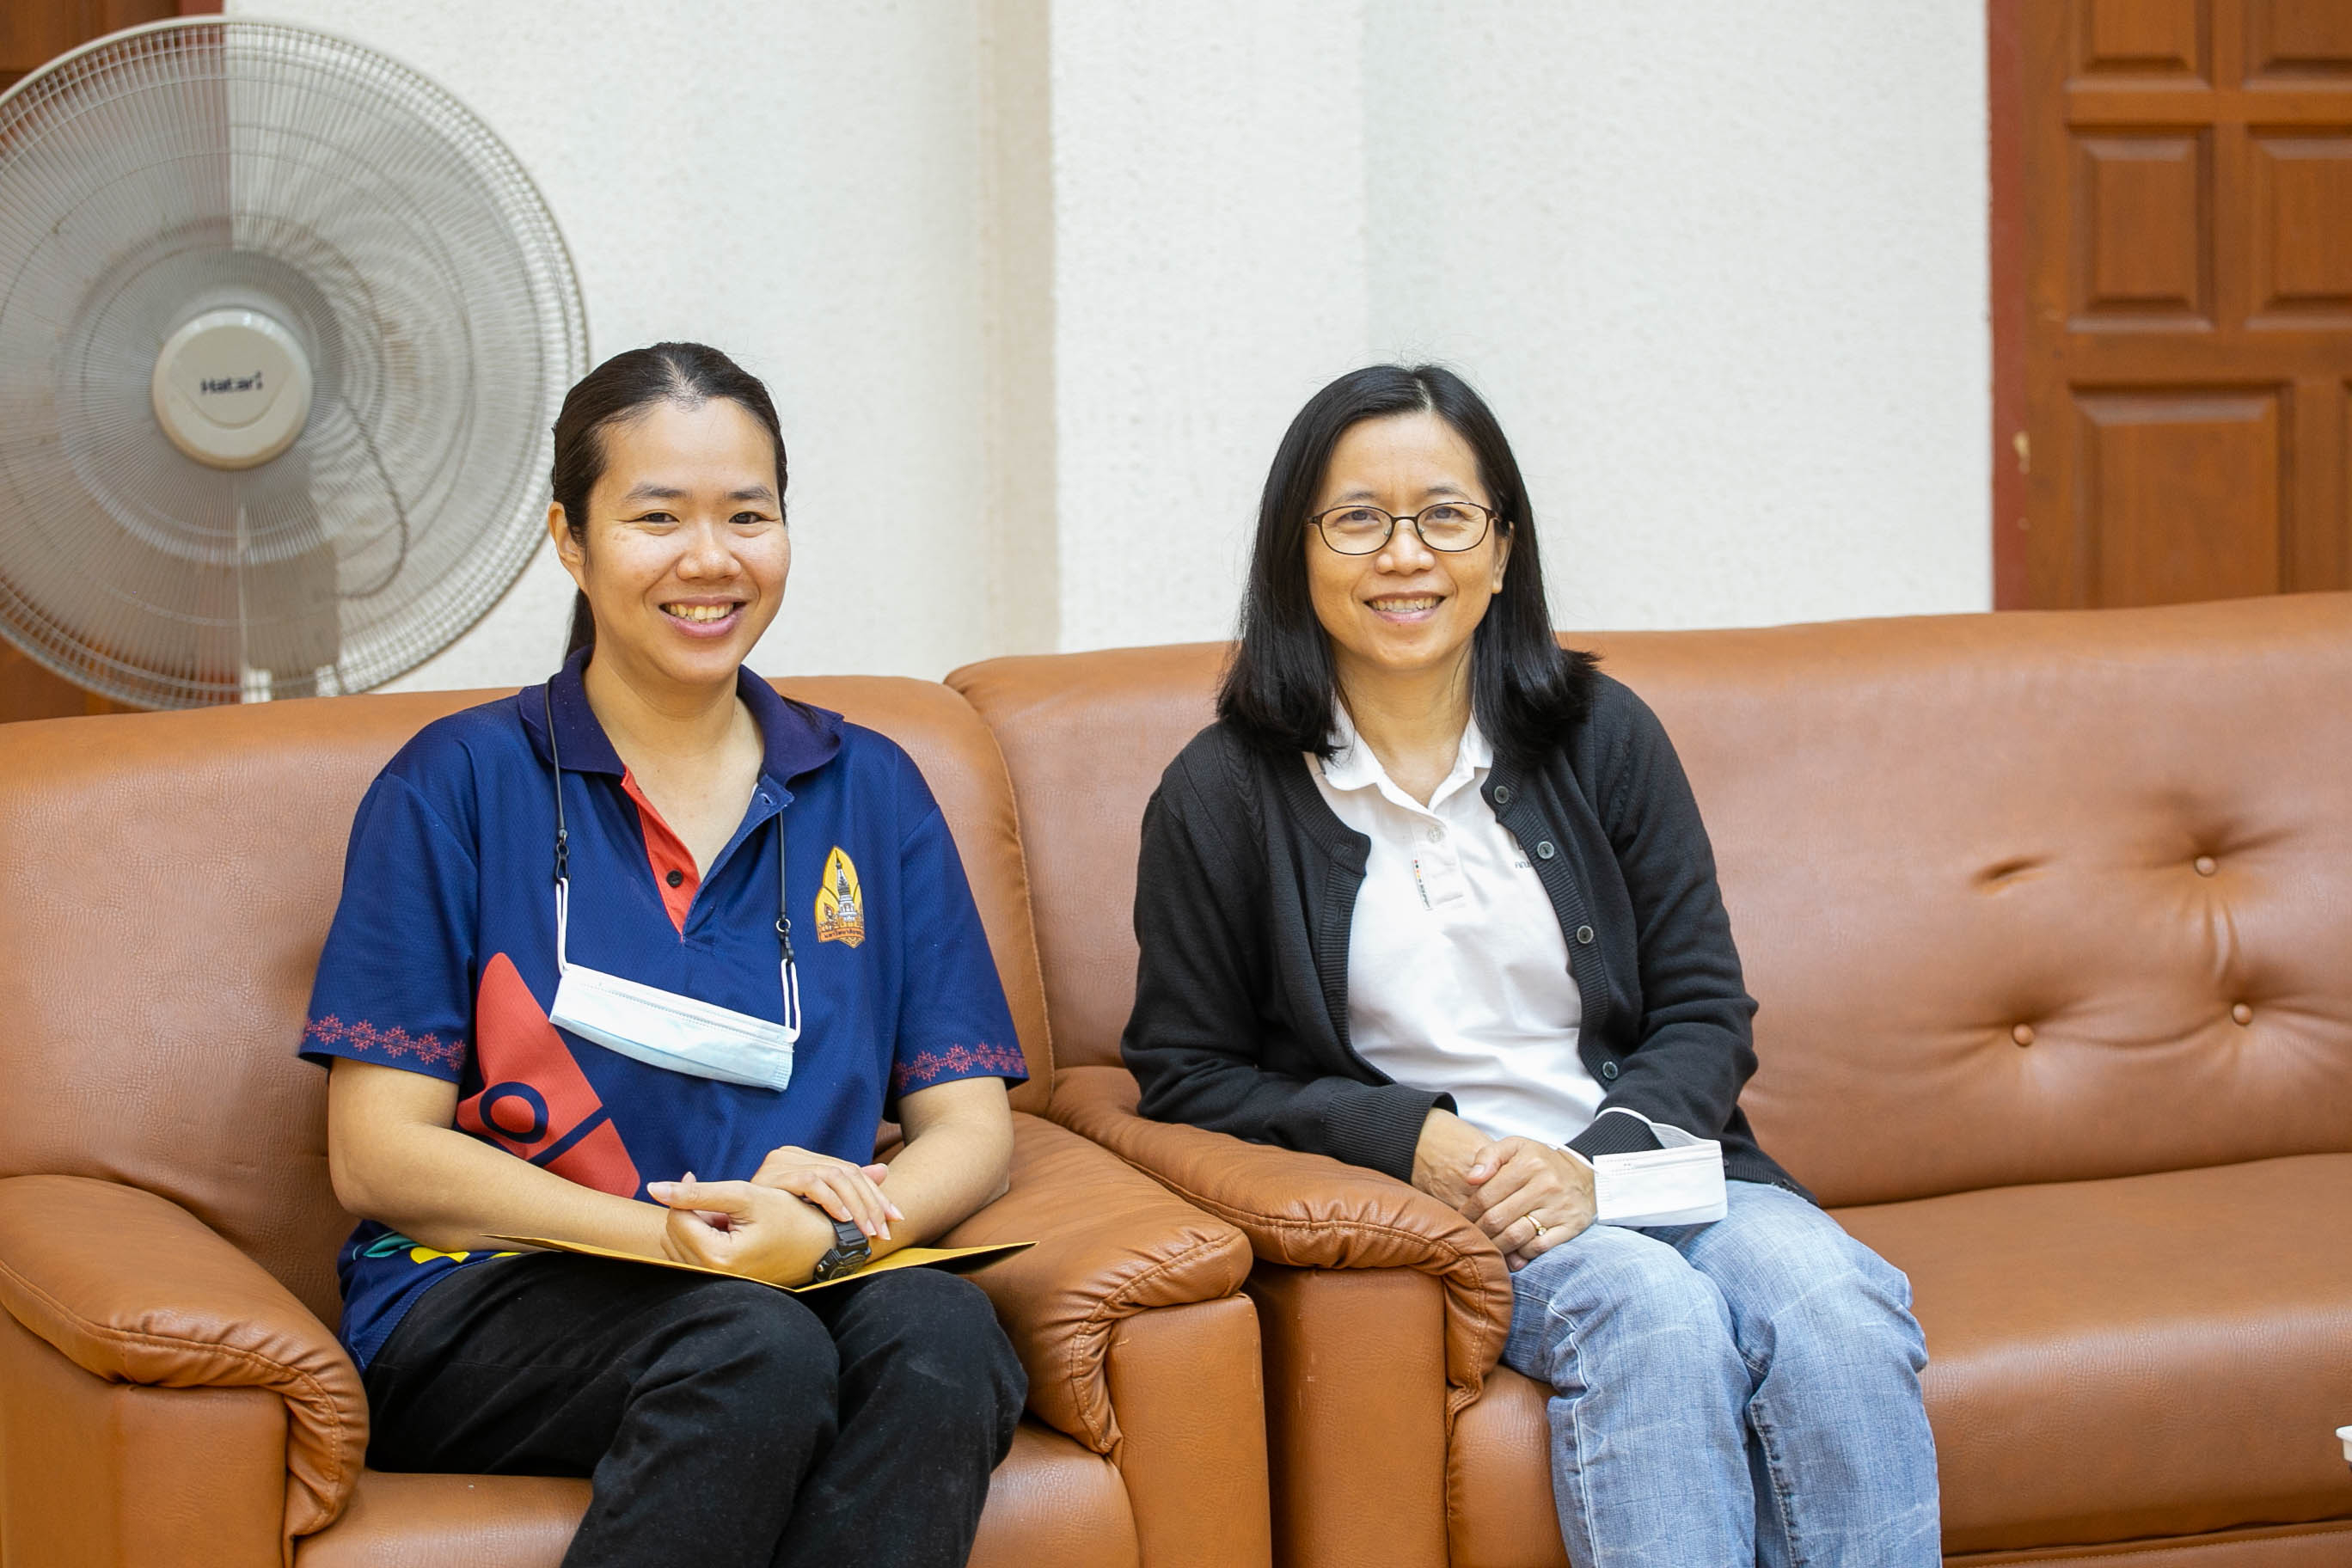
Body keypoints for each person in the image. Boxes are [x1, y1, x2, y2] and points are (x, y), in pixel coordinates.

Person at [1122, 364, 1940, 1565]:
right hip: (1468, 1209)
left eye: (1447, 516)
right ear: (1297, 552)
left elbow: (1705, 1009)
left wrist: (1595, 1165)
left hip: (1649, 1168)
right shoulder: (1222, 794)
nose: (1407, 554)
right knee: (1653, 1316)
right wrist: (1413, 1139)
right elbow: (1187, 1074)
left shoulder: (1603, 736)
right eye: (1359, 519)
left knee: (1836, 1302)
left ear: (1502, 550)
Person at [302, 342, 1028, 1568]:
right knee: (751, 1348)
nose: (711, 559)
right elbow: (376, 1152)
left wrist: (835, 1241)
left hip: (796, 1275)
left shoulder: (871, 789)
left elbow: (971, 1126)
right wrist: (689, 1244)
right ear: (571, 541)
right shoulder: (457, 784)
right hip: (491, 1289)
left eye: (748, 515)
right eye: (656, 518)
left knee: (945, 1337)